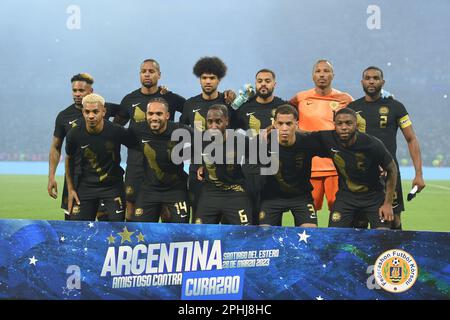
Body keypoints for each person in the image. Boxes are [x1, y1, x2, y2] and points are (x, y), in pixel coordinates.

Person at [348, 66, 425, 229]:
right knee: (359, 222)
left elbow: (411, 139)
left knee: (393, 220)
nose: (371, 81)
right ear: (362, 82)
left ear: (383, 82)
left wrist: (418, 174)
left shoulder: (396, 107)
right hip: (361, 173)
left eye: (375, 78)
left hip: (389, 172)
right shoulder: (352, 108)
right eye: (367, 78)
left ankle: (394, 254)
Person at [114, 59, 186, 220]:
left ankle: (162, 244)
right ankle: (134, 242)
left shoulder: (170, 98)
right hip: (136, 163)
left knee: (166, 212)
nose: (147, 74)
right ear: (139, 74)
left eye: (151, 71)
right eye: (143, 71)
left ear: (159, 75)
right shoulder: (129, 100)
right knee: (131, 207)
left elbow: (190, 113)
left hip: (164, 164)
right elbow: (116, 130)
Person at [48, 73, 120, 219]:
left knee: (106, 225)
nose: (77, 94)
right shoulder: (64, 116)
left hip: (102, 178)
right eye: (75, 90)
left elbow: (126, 111)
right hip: (75, 178)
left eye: (82, 91)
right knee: (74, 226)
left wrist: (112, 129)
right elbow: (56, 147)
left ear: (91, 92)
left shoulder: (103, 108)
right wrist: (51, 176)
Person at [289, 60, 353, 218]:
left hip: (336, 164)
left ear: (333, 75)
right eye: (318, 71)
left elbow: (360, 122)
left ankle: (339, 242)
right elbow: (283, 113)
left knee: (340, 210)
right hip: (308, 165)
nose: (322, 74)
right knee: (308, 210)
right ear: (313, 75)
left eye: (326, 71)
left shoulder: (345, 99)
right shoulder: (300, 98)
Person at [318, 108, 397, 229]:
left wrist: (387, 204)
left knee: (383, 235)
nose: (344, 127)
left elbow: (392, 169)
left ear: (356, 125)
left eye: (349, 123)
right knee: (334, 235)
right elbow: (304, 136)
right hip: (346, 197)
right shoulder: (328, 139)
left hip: (374, 198)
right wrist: (281, 131)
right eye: (339, 123)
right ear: (334, 125)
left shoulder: (372, 144)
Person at [65, 94, 137, 221]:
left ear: (103, 111)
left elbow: (137, 147)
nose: (91, 116)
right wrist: (70, 189)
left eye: (95, 111)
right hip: (86, 187)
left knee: (116, 231)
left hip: (113, 188)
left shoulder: (116, 131)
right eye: (87, 112)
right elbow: (69, 158)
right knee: (81, 230)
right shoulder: (74, 134)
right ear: (83, 112)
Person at [180, 57, 236, 220]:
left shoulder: (228, 103)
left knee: (227, 222)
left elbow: (238, 131)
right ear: (199, 80)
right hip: (197, 170)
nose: (208, 81)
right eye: (204, 78)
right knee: (198, 217)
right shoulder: (190, 104)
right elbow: (182, 134)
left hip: (225, 170)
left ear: (219, 80)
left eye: (212, 78)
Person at [259, 105, 324, 227]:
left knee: (310, 231)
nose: (284, 128)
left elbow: (334, 146)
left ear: (297, 124)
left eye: (289, 124)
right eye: (280, 123)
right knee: (264, 234)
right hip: (272, 197)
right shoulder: (263, 143)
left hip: (301, 197)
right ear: (274, 124)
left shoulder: (308, 141)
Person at [128, 98, 192, 223]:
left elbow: (204, 142)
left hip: (176, 190)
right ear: (146, 115)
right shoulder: (137, 130)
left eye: (159, 114)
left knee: (181, 232)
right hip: (149, 190)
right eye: (150, 114)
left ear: (167, 115)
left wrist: (200, 164)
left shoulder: (180, 130)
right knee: (140, 232)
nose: (154, 117)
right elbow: (116, 137)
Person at [195, 104, 252, 225]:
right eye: (210, 122)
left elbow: (259, 157)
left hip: (235, 192)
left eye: (218, 121)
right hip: (210, 193)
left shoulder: (240, 141)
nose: (213, 126)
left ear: (226, 121)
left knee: (244, 233)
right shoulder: (200, 140)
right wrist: (200, 165)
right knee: (200, 234)